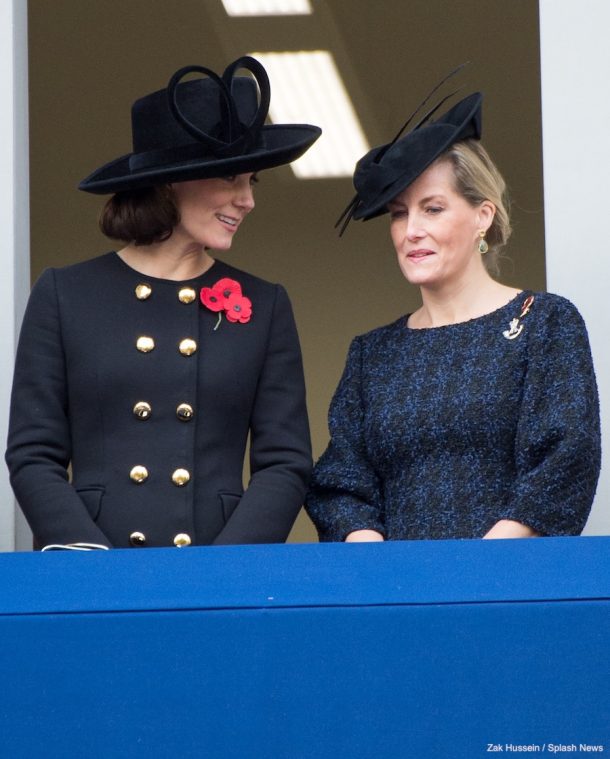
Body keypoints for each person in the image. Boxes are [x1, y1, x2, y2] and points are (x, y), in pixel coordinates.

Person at [6, 56, 321, 549]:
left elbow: (284, 461)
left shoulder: (265, 305)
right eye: (231, 179)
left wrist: (223, 570)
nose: (248, 200)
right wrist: (89, 562)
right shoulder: (65, 294)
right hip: (96, 568)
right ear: (173, 180)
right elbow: (33, 453)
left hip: (215, 568)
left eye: (251, 182)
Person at [305, 88, 600, 542]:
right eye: (399, 215)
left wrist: (477, 568)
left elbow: (566, 459)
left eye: (433, 209)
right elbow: (341, 483)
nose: (412, 231)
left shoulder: (543, 322)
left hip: (509, 583)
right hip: (397, 593)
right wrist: (373, 556)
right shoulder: (373, 352)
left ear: (483, 215)